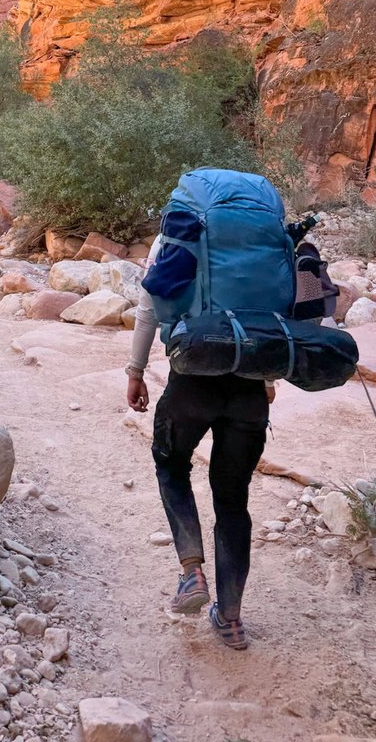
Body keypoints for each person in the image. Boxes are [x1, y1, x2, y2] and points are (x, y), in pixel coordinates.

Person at [126, 239, 274, 650]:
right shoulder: (260, 244)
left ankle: (191, 572)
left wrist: (135, 371)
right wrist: (265, 377)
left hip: (192, 380)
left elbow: (149, 307)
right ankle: (230, 618)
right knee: (232, 499)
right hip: (247, 389)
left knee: (171, 464)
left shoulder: (175, 235)